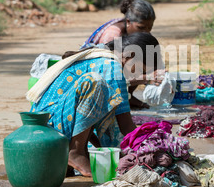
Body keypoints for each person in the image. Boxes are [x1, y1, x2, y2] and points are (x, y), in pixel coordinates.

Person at [27, 32, 163, 177]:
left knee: (109, 103)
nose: (137, 75)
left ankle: (76, 153)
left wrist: (104, 149)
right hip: (50, 127)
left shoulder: (103, 56)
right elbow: (126, 125)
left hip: (45, 127)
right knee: (95, 83)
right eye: (139, 69)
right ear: (129, 56)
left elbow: (86, 114)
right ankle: (75, 152)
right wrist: (147, 148)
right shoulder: (112, 65)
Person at [80, 0, 156, 49]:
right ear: (128, 22)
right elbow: (108, 67)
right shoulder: (112, 35)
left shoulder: (144, 34)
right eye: (140, 27)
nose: (146, 32)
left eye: (150, 28)